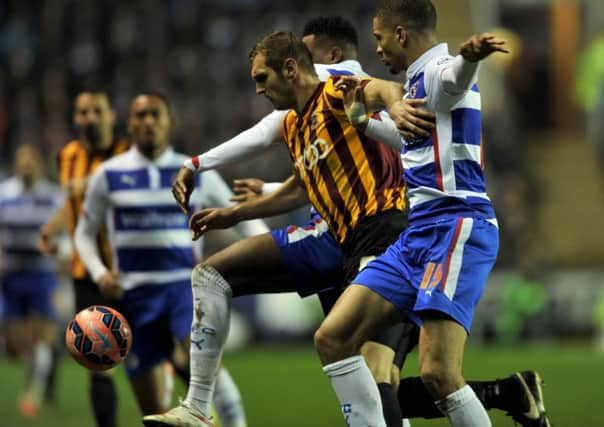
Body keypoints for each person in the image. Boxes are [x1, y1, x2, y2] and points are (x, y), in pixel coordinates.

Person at [148, 18, 548, 427]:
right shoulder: (298, 121)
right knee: (360, 361)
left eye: (307, 55)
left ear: (319, 59)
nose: (258, 89)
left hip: (387, 229)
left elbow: (385, 91)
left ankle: (503, 392)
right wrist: (236, 211)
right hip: (346, 238)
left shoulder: (340, 87)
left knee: (392, 375)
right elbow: (307, 184)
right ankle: (506, 391)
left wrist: (196, 163)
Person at [311, 1, 550, 426]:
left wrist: (469, 59)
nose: (377, 49)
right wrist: (361, 119)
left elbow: (451, 84)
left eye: (380, 39)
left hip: (455, 226)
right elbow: (410, 138)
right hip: (416, 236)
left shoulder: (438, 70)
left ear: (401, 34)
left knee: (438, 374)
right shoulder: (415, 82)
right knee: (333, 337)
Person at [75, 92, 264, 426]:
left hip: (183, 289)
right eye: (141, 115)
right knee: (154, 409)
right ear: (130, 123)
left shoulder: (197, 173)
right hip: (132, 297)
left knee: (212, 374)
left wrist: (269, 248)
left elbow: (243, 215)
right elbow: (84, 233)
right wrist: (99, 273)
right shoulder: (108, 174)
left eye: (155, 115)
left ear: (169, 122)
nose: (148, 122)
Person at [38, 90, 129, 427]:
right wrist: (53, 228)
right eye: (82, 112)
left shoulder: (128, 153)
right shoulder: (66, 156)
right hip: (86, 273)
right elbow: (73, 206)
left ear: (111, 116)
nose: (89, 118)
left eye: (96, 111)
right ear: (75, 118)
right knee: (97, 361)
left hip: (130, 270)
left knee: (157, 356)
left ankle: (203, 411)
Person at [0, 144, 64, 417]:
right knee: (16, 337)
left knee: (42, 333)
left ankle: (35, 392)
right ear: (16, 165)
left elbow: (66, 233)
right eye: (21, 162)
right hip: (11, 273)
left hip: (40, 272)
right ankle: (38, 378)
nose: (26, 167)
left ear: (38, 165)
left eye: (31, 162)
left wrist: (59, 252)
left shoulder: (52, 196)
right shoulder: (4, 194)